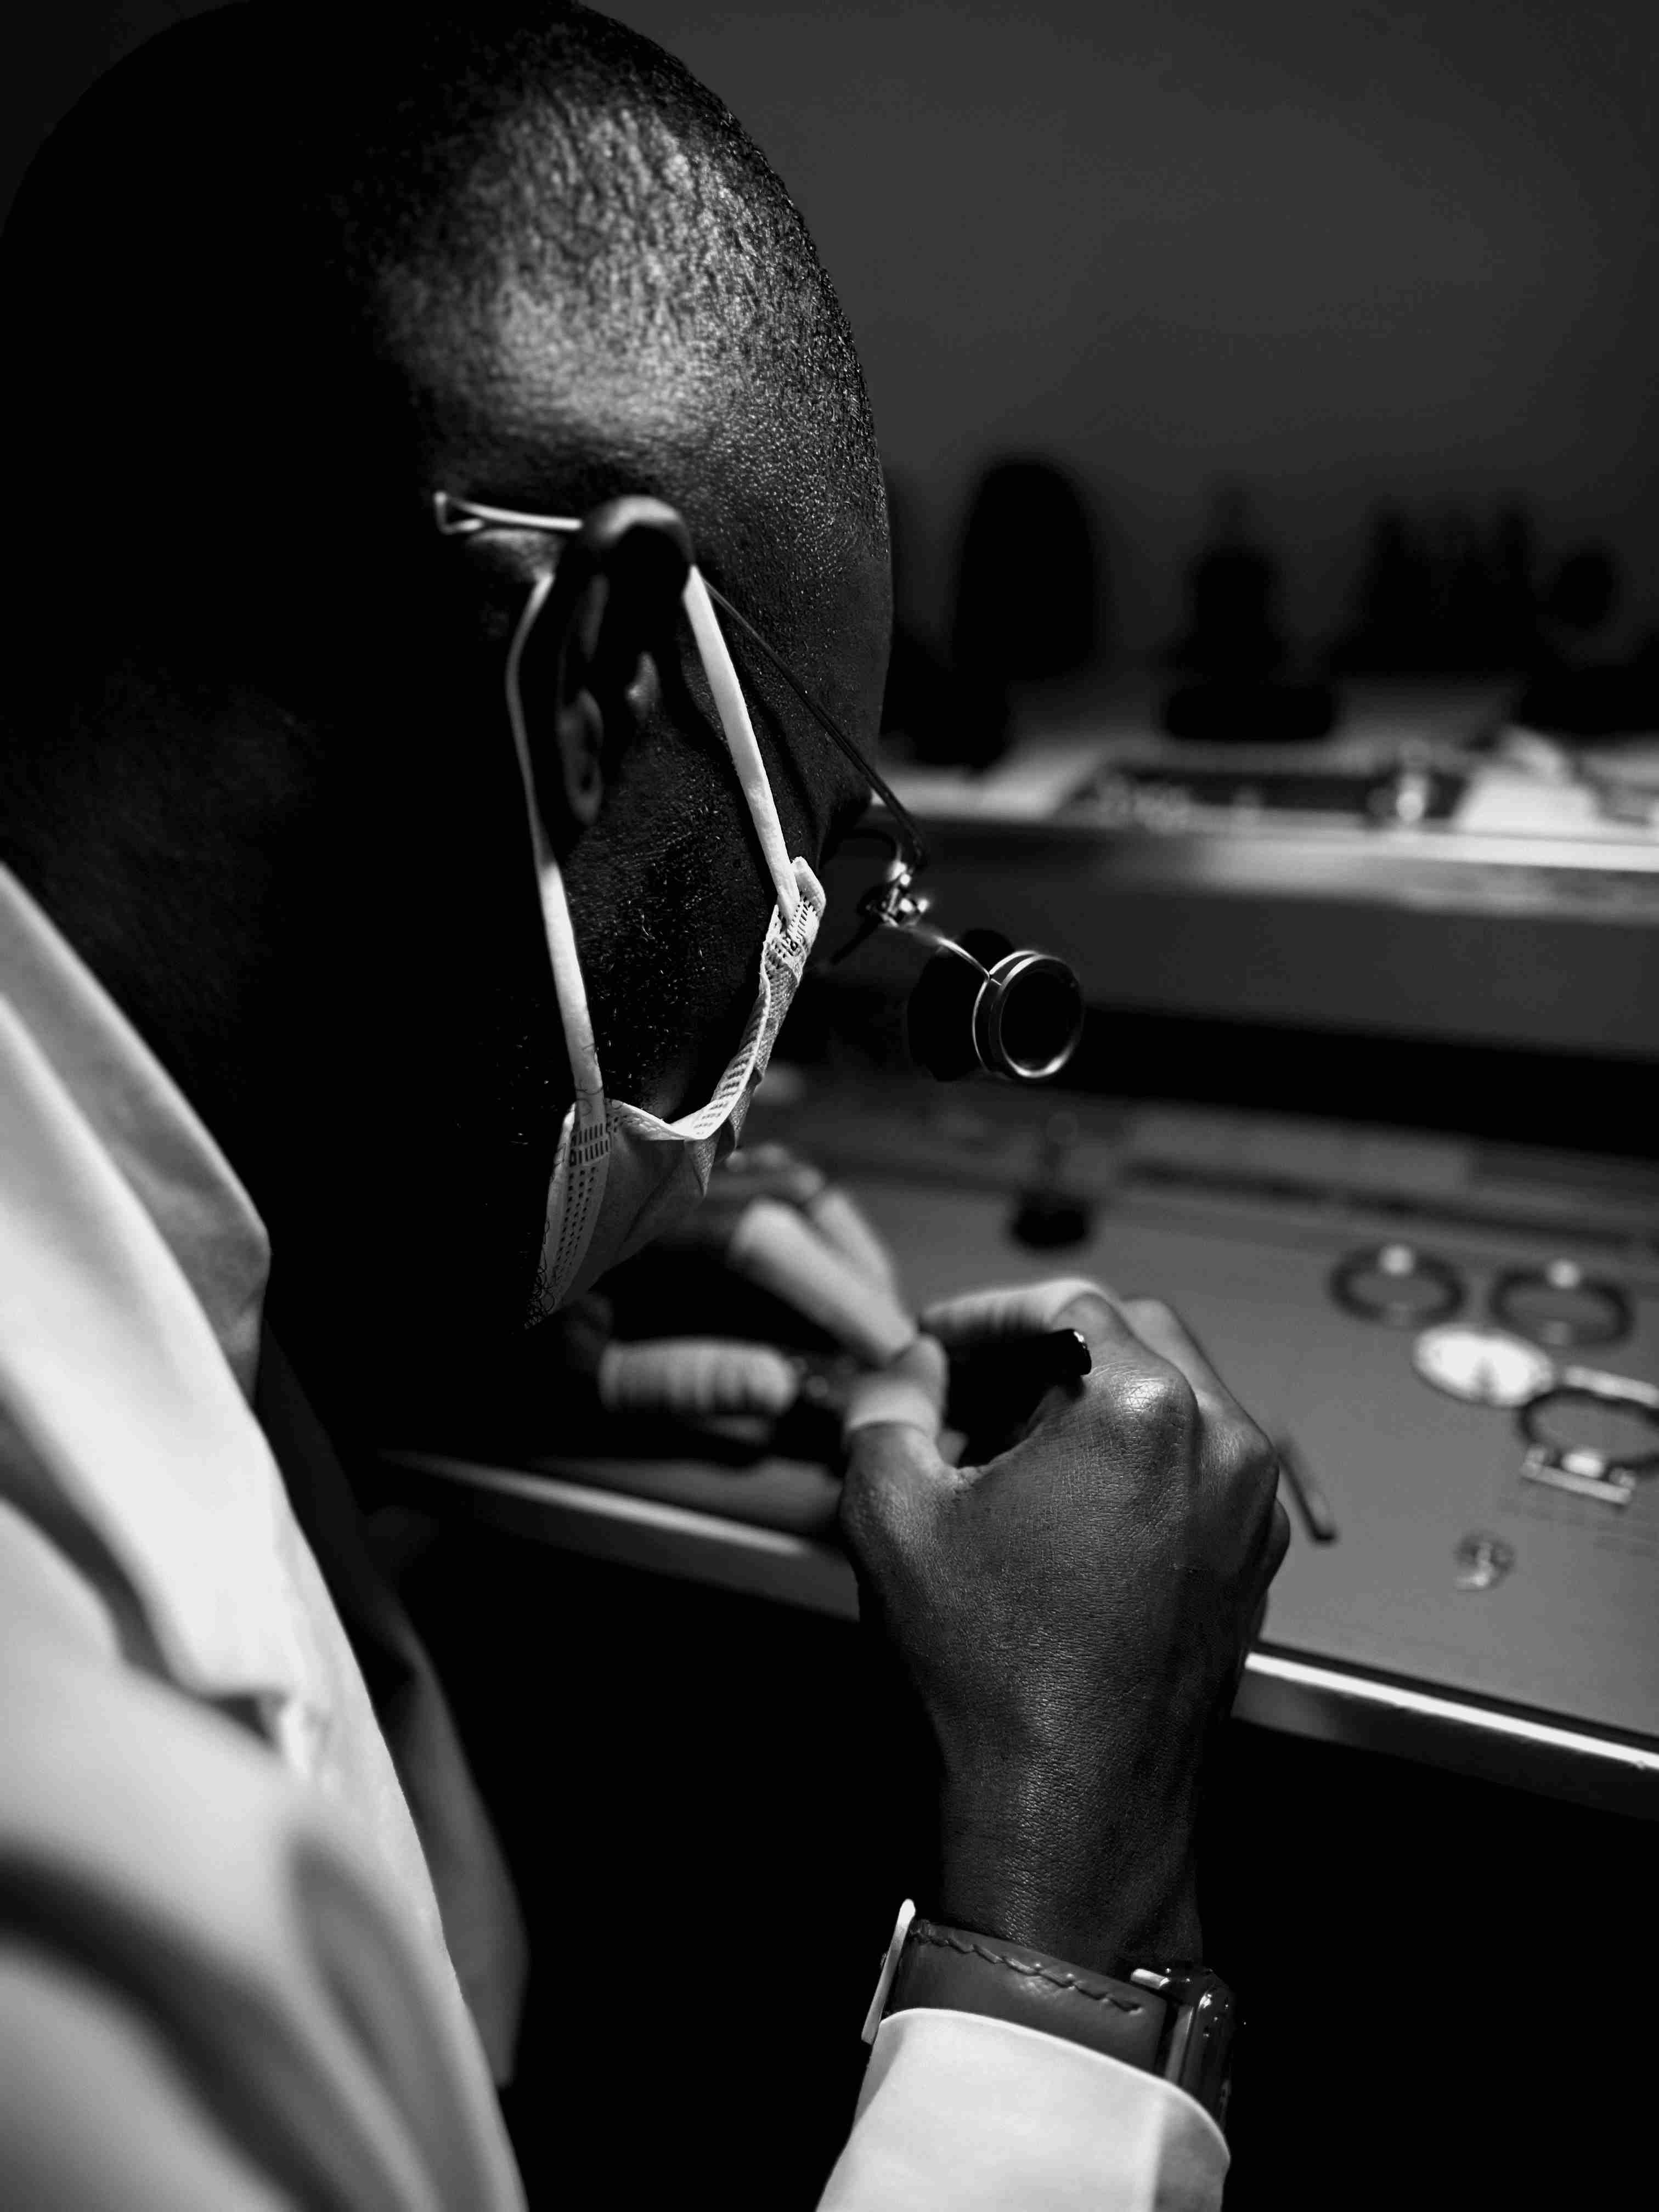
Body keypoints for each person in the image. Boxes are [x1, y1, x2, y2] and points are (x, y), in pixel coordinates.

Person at [0, 4, 1287, 2206]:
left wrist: (361, 1354)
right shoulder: (110, 1885)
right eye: (797, 858)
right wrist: (1072, 1942)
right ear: (603, 684)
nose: (767, 1030)